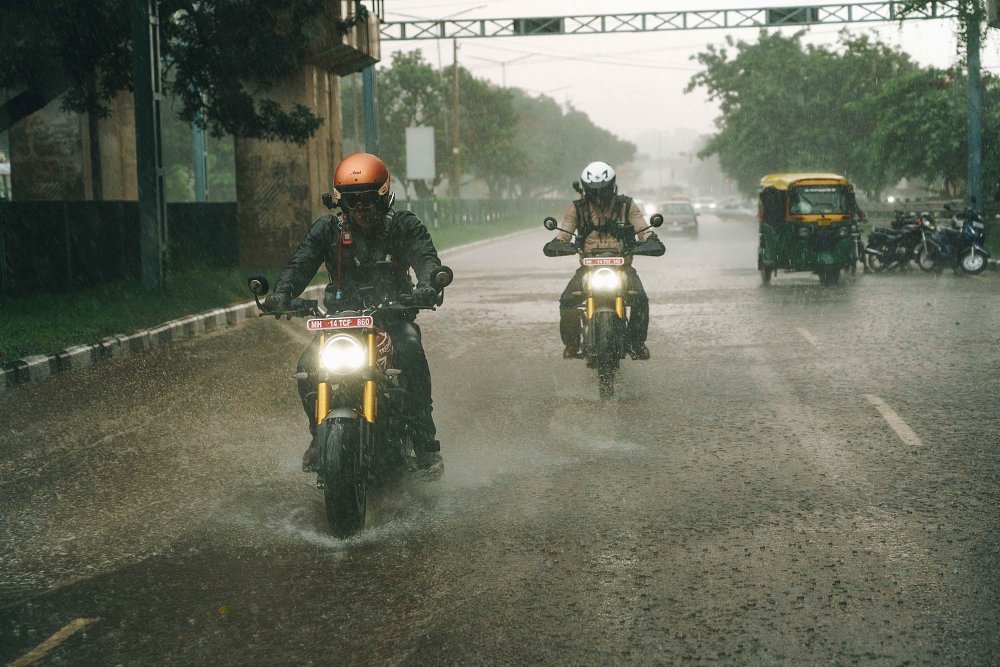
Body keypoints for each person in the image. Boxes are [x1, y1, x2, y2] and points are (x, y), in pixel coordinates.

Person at [264, 153, 444, 476]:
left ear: (383, 196)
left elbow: (426, 258)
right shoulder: (327, 230)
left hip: (392, 317)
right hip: (341, 322)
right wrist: (281, 294)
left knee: (411, 350)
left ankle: (425, 443)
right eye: (352, 200)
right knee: (307, 365)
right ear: (341, 201)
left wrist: (429, 284)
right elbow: (300, 264)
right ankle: (320, 437)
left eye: (367, 199)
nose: (361, 208)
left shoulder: (404, 226)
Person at [544, 160, 665, 360]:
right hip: (588, 270)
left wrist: (650, 239)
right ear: (585, 189)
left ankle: (636, 343)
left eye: (603, 190)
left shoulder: (627, 205)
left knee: (640, 300)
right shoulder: (577, 208)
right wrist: (558, 243)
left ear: (613, 187)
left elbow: (642, 227)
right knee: (567, 301)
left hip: (622, 269)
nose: (599, 196)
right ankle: (572, 343)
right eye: (593, 191)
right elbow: (565, 231)